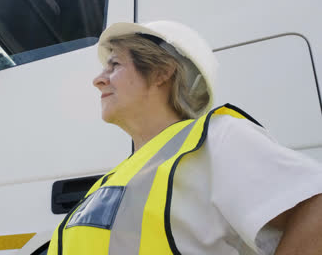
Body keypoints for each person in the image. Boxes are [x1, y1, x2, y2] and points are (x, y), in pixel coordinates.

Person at [47, 21, 322, 255]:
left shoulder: (217, 137)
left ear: (161, 72)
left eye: (114, 64)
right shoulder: (117, 177)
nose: (98, 79)